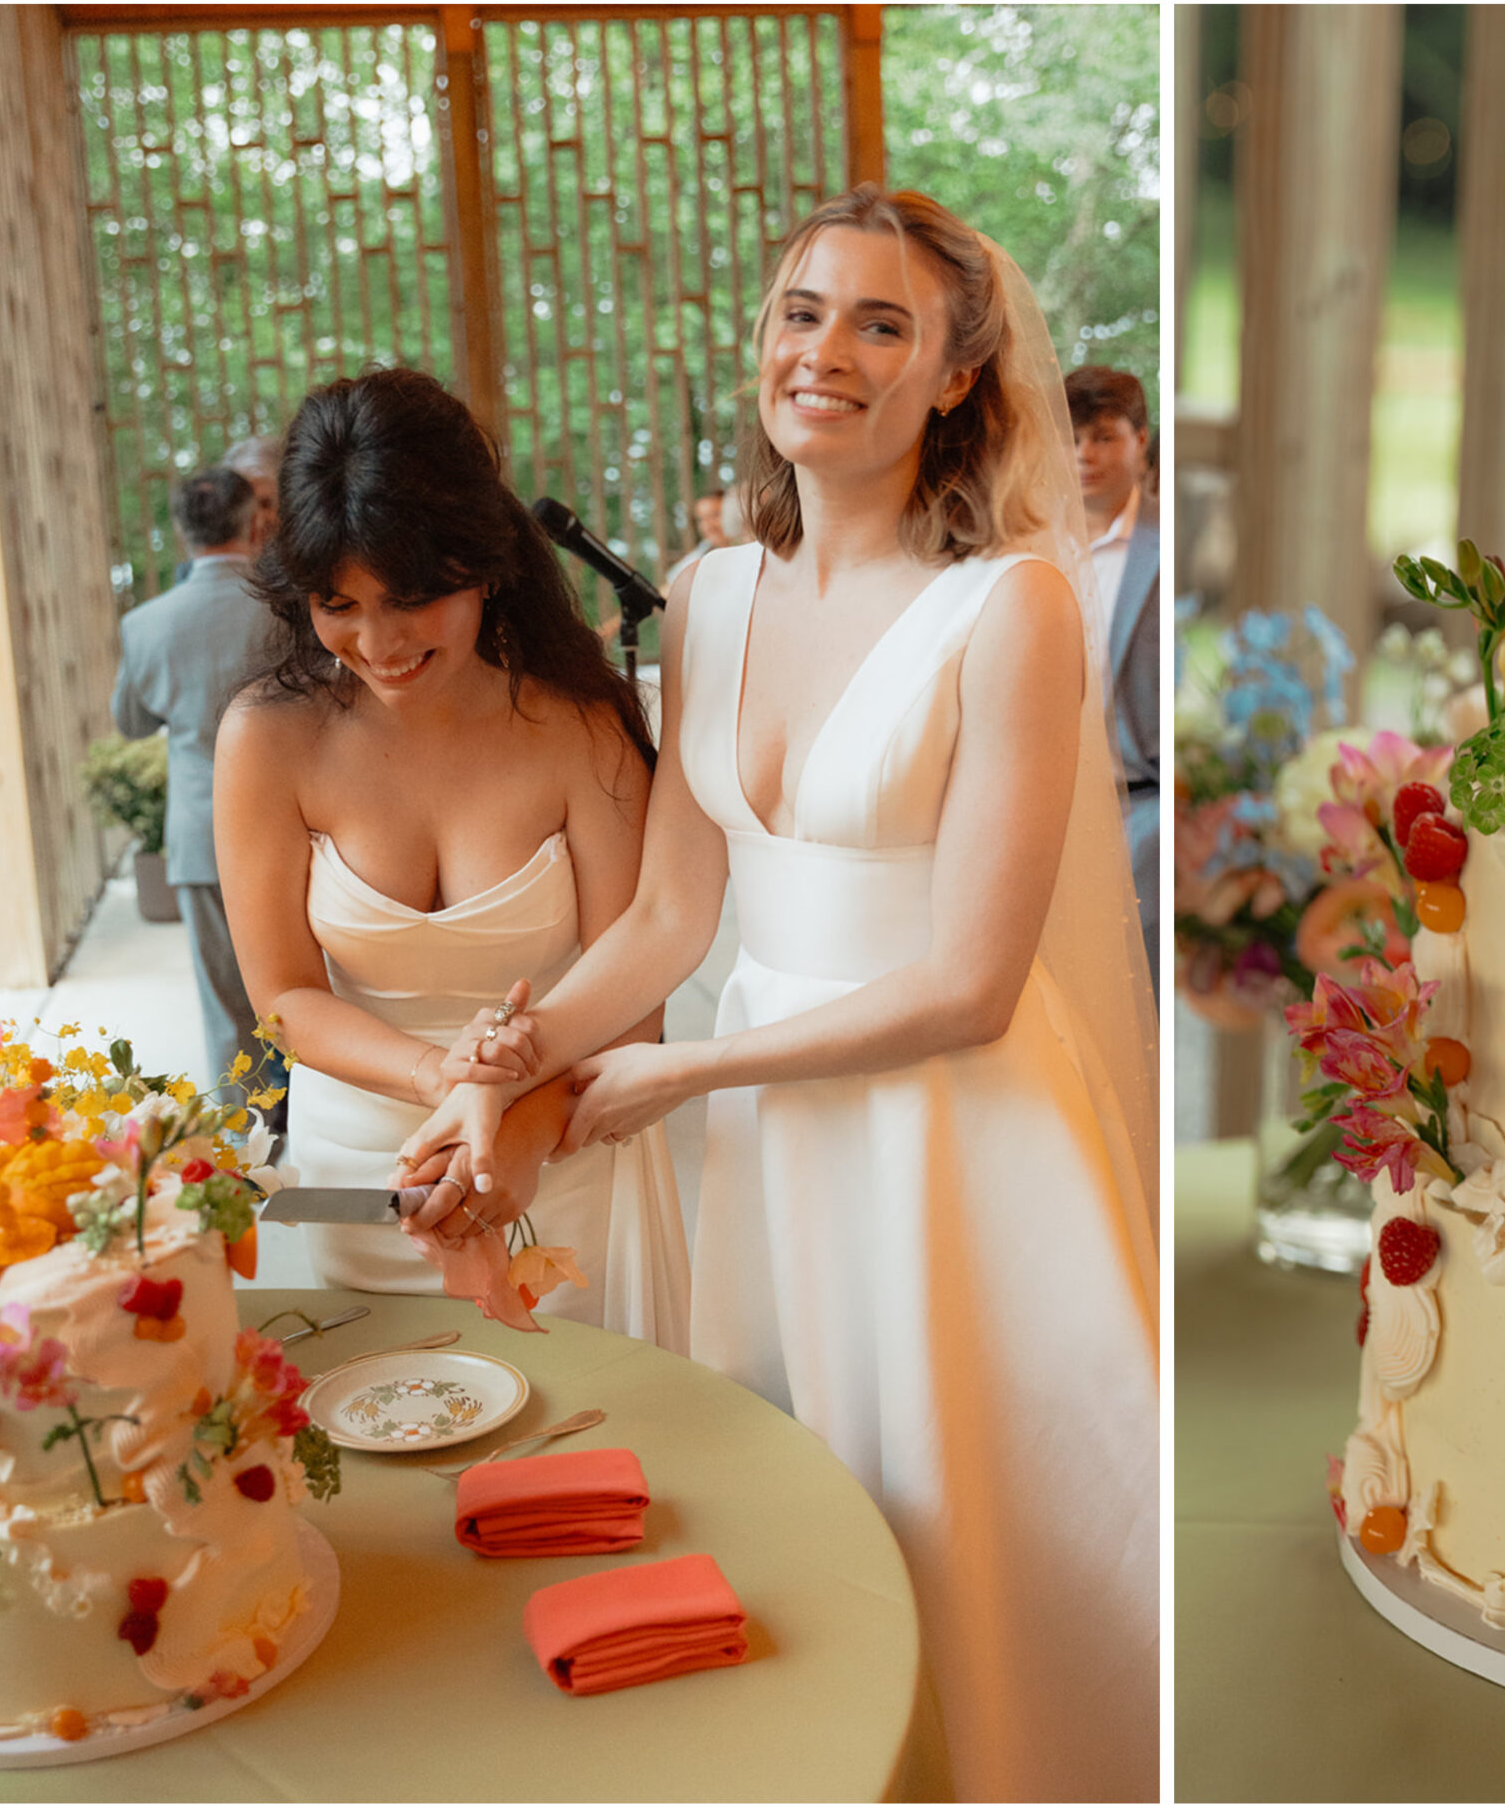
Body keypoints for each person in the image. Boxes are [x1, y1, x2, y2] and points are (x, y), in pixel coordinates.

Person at [399, 187, 1159, 1802]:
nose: (825, 350)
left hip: (955, 1144)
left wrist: (687, 1076)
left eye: (882, 322)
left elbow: (966, 982)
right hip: (762, 1142)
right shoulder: (716, 590)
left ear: (957, 375)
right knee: (797, 1509)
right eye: (802, 310)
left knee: (975, 1528)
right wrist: (513, 1049)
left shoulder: (1010, 607)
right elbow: (679, 908)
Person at [215, 368, 690, 1351]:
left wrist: (514, 1132)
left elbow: (634, 1002)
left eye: (413, 597)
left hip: (561, 1157)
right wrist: (446, 1080)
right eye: (336, 603)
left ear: (484, 565)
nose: (377, 642)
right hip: (366, 1170)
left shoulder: (583, 726)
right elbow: (285, 996)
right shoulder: (267, 738)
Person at [111, 466, 290, 1111]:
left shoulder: (147, 625)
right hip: (295, 826)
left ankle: (249, 1155)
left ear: (183, 532)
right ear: (256, 523)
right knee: (306, 992)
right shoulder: (285, 604)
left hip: (200, 834)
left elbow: (130, 721)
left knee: (227, 1008)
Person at [1067, 365, 1161, 988]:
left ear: (1141, 441)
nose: (1082, 454)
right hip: (1045, 804)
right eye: (1069, 437)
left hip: (1141, 806)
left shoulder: (1169, 542)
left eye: (1102, 436)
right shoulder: (1024, 543)